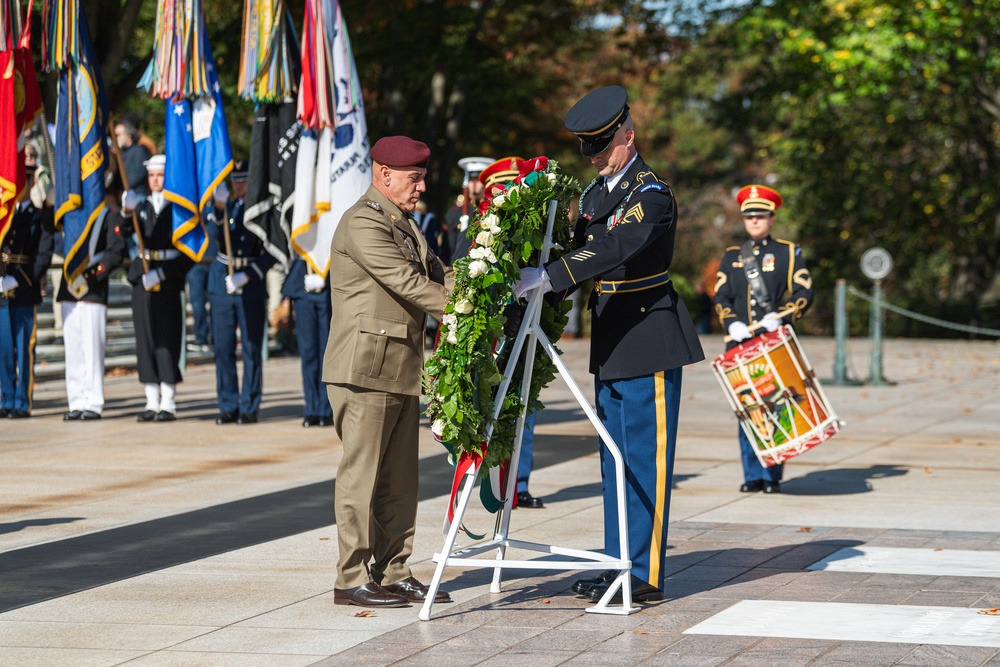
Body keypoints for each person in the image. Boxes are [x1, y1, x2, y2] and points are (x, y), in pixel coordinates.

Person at [513, 85, 705, 603]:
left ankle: (644, 575)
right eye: (588, 147)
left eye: (603, 145)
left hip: (650, 337)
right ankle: (618, 561)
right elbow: (579, 249)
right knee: (613, 459)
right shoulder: (597, 195)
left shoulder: (651, 194)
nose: (595, 156)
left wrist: (552, 276)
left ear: (628, 135)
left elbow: (616, 248)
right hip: (612, 339)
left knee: (645, 458)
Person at [323, 135, 453, 608]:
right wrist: (460, 307)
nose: (420, 187)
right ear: (385, 174)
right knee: (361, 478)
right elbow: (407, 282)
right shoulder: (363, 222)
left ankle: (393, 570)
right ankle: (350, 578)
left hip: (399, 366)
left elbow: (439, 273)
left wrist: (488, 292)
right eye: (414, 178)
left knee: (400, 481)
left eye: (421, 177)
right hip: (362, 369)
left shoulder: (406, 225)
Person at [712, 184, 814, 494]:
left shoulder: (787, 251)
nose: (755, 221)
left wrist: (781, 316)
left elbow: (804, 291)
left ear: (772, 218)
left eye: (761, 216)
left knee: (776, 406)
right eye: (749, 217)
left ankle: (772, 475)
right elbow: (721, 294)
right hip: (740, 343)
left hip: (772, 340)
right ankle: (752, 474)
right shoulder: (732, 256)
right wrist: (731, 324)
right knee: (747, 407)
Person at [121, 154, 194, 422]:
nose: (155, 180)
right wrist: (125, 212)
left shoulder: (179, 209)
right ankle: (151, 400)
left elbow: (190, 253)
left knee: (167, 338)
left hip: (167, 279)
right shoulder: (141, 208)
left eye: (160, 175)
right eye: (152, 175)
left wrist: (163, 273)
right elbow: (124, 231)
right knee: (146, 338)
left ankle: (168, 401)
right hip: (143, 277)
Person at [208, 160, 276, 425]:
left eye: (243, 179)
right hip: (223, 282)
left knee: (250, 348)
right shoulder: (227, 207)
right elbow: (213, 235)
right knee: (223, 348)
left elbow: (273, 250)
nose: (239, 185)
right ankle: (227, 405)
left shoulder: (261, 209)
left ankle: (249, 405)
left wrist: (248, 274)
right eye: (235, 180)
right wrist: (218, 208)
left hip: (250, 282)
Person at [58, 197, 127, 421]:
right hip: (70, 287)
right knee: (74, 349)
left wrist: (89, 275)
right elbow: (52, 236)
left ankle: (93, 402)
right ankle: (76, 401)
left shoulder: (109, 214)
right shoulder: (70, 212)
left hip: (93, 288)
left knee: (92, 349)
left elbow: (116, 251)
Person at [0, 154, 55, 418]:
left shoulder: (39, 217)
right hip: (1, 292)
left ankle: (22, 402)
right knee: (2, 350)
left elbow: (43, 256)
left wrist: (18, 279)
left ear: (32, 182)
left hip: (23, 291)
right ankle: (6, 399)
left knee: (23, 349)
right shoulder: (3, 217)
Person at [281, 258, 332, 427]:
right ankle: (311, 409)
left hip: (330, 283)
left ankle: (326, 409)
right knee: (308, 352)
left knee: (327, 353)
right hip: (302, 282)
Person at [444, 156, 491, 264]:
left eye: (478, 180)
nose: (474, 185)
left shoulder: (491, 210)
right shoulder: (454, 214)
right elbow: (447, 250)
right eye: (471, 180)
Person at [186, 204, 218, 353]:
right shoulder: (192, 202)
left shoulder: (218, 205)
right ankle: (201, 337)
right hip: (196, 262)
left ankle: (215, 338)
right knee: (197, 303)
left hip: (214, 262)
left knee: (215, 303)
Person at [113, 118, 152, 199]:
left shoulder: (139, 150)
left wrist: (122, 186)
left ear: (129, 137)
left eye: (119, 135)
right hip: (122, 195)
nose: (116, 138)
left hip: (136, 195)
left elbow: (137, 174)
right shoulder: (121, 153)